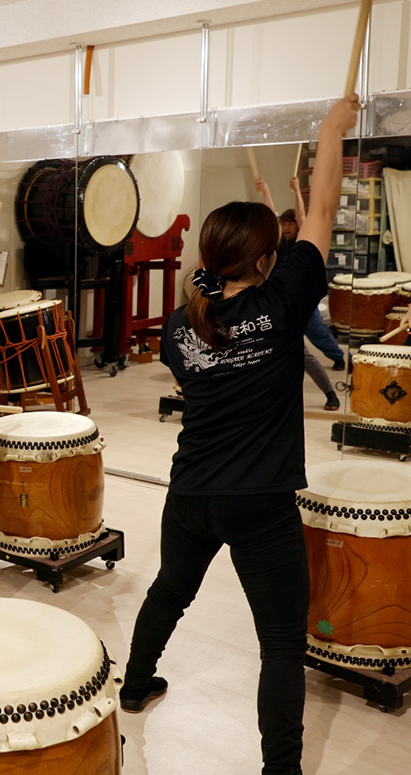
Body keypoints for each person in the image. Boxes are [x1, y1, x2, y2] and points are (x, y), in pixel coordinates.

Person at [120, 96, 360, 775]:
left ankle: (135, 686)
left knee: (170, 589)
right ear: (262, 263)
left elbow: (215, 288)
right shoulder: (283, 306)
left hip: (191, 493)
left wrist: (323, 136)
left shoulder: (176, 326)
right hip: (260, 502)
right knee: (282, 644)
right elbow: (320, 211)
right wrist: (330, 132)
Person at [256, 176, 344, 410]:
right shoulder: (277, 244)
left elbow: (303, 216)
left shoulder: (302, 244)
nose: (285, 227)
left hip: (301, 304)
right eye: (283, 224)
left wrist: (296, 189)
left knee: (313, 343)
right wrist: (265, 191)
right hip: (279, 307)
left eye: (290, 223)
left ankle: (334, 379)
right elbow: (271, 216)